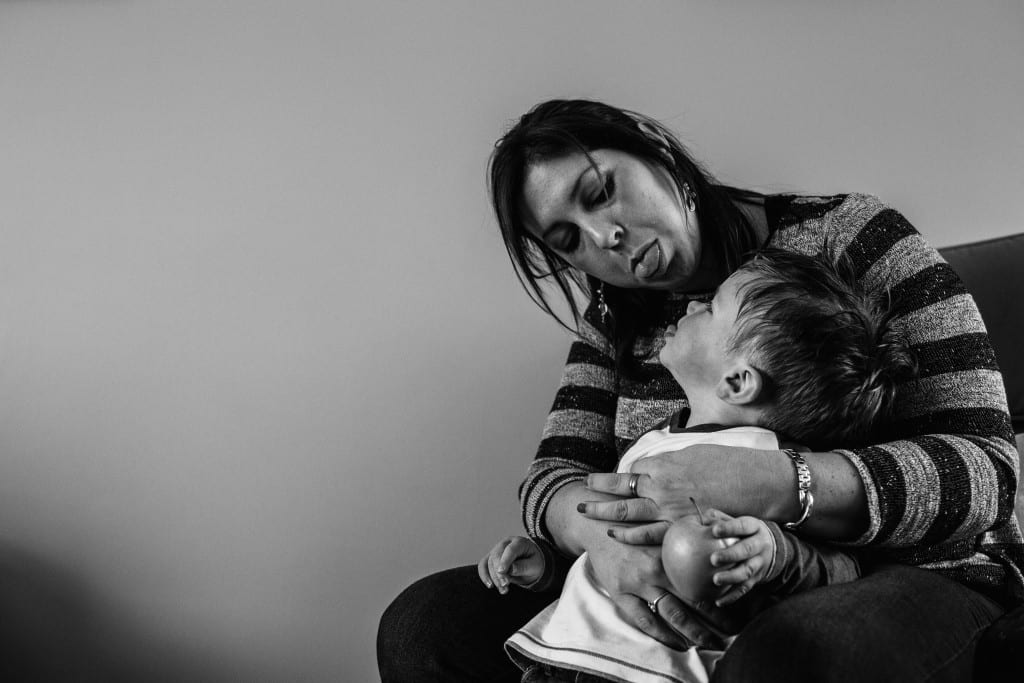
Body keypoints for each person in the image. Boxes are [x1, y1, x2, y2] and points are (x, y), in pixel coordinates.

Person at [377, 99, 1024, 682]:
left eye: (601, 191)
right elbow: (551, 478)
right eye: (568, 240)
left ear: (654, 148)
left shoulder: (850, 237)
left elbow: (987, 475)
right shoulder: (616, 319)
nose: (606, 238)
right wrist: (602, 546)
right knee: (424, 626)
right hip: (666, 583)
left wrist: (776, 481)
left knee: (792, 650)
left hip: (906, 572)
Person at [480, 248, 913, 683]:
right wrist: (545, 566)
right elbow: (609, 549)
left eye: (710, 308)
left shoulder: (766, 458)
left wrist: (773, 552)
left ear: (738, 381)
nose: (690, 304)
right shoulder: (651, 442)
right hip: (566, 664)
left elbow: (844, 569)